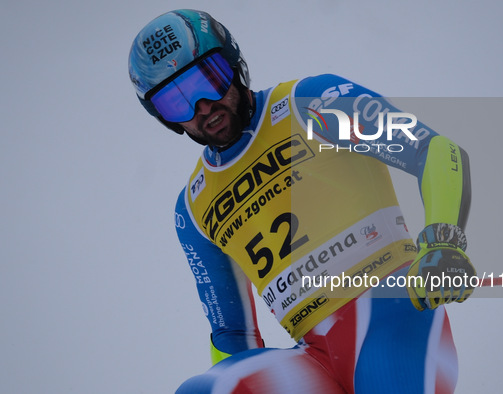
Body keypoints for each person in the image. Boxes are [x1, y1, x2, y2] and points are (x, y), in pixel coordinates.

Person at [128, 9, 476, 394]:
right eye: (176, 104)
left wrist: (443, 242)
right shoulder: (193, 209)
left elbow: (433, 151)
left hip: (389, 310)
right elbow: (232, 334)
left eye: (206, 80)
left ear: (234, 65)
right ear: (165, 119)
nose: (202, 107)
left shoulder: (310, 102)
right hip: (312, 358)